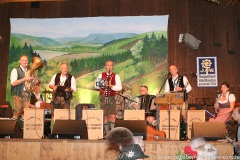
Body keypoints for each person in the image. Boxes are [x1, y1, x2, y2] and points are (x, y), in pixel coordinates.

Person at [95, 60, 122, 134]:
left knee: (113, 116)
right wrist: (104, 84)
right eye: (108, 65)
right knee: (105, 116)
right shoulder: (101, 75)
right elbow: (96, 86)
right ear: (105, 66)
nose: (109, 67)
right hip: (103, 98)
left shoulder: (116, 76)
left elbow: (119, 87)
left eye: (111, 65)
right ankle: (107, 133)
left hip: (112, 98)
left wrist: (111, 86)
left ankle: (112, 133)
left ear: (113, 67)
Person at [10, 55, 34, 119]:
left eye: (26, 60)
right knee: (16, 113)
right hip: (18, 94)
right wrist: (25, 79)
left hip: (27, 94)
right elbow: (13, 83)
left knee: (25, 114)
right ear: (19, 61)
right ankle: (14, 128)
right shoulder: (15, 70)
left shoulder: (29, 71)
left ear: (28, 61)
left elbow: (32, 83)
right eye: (23, 60)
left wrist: (34, 80)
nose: (24, 62)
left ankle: (23, 128)